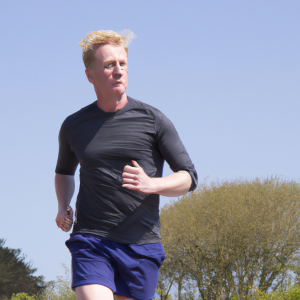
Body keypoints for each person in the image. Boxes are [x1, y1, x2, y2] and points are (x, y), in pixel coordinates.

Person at [55, 30, 198, 300]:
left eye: (122, 64)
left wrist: (152, 184)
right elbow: (64, 171)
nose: (118, 71)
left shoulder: (154, 119)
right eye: (109, 65)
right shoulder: (74, 125)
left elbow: (189, 177)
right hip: (92, 239)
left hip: (141, 244)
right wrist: (63, 205)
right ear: (89, 75)